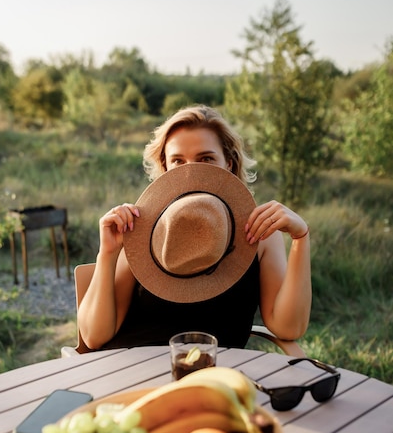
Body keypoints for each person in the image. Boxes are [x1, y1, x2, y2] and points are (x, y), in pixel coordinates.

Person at [78, 105, 311, 351]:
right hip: (134, 371)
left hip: (213, 378)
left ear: (229, 163)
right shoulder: (144, 229)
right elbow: (94, 337)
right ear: (165, 168)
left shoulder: (260, 232)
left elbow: (289, 329)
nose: (191, 172)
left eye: (206, 159)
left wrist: (300, 238)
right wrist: (107, 254)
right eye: (178, 161)